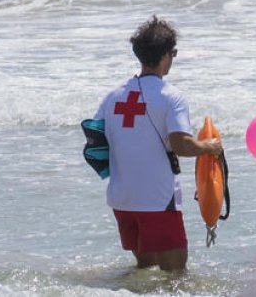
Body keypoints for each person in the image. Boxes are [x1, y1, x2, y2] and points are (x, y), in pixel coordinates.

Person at [93, 16, 221, 272]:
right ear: (165, 55)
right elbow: (181, 145)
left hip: (122, 200)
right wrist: (211, 146)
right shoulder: (171, 96)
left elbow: (96, 141)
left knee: (145, 271)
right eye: (173, 52)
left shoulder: (113, 96)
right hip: (157, 200)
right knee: (175, 274)